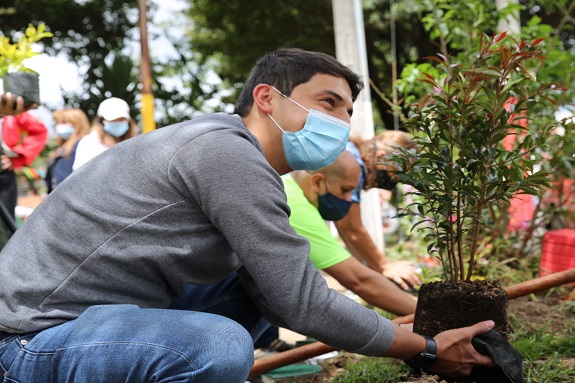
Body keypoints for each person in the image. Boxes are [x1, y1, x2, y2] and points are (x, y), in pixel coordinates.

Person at [0, 48, 494, 382]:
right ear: (266, 98)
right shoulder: (224, 152)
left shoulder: (242, 161)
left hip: (88, 324)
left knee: (254, 291)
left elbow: (285, 295)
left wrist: (405, 335)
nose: (342, 123)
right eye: (328, 102)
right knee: (215, 346)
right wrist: (425, 348)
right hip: (29, 338)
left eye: (346, 112)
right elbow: (306, 304)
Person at [256, 150, 418, 352]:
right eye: (345, 190)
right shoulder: (293, 206)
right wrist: (423, 311)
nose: (348, 200)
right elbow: (358, 280)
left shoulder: (288, 188)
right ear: (317, 182)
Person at [336, 131, 423, 290]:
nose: (392, 182)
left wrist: (369, 269)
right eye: (396, 174)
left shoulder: (349, 152)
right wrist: (384, 266)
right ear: (382, 156)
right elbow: (350, 227)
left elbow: (342, 224)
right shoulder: (353, 162)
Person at [0, 93, 48, 220]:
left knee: (5, 224)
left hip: (4, 175)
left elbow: (39, 131)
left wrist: (18, 157)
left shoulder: (11, 110)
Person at [72, 96, 136, 170]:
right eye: (113, 120)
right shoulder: (90, 143)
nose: (117, 123)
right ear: (101, 121)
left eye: (121, 119)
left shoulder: (132, 142)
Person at [45, 108, 91, 192]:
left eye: (64, 122)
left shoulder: (84, 146)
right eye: (57, 123)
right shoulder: (62, 148)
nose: (59, 126)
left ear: (77, 124)